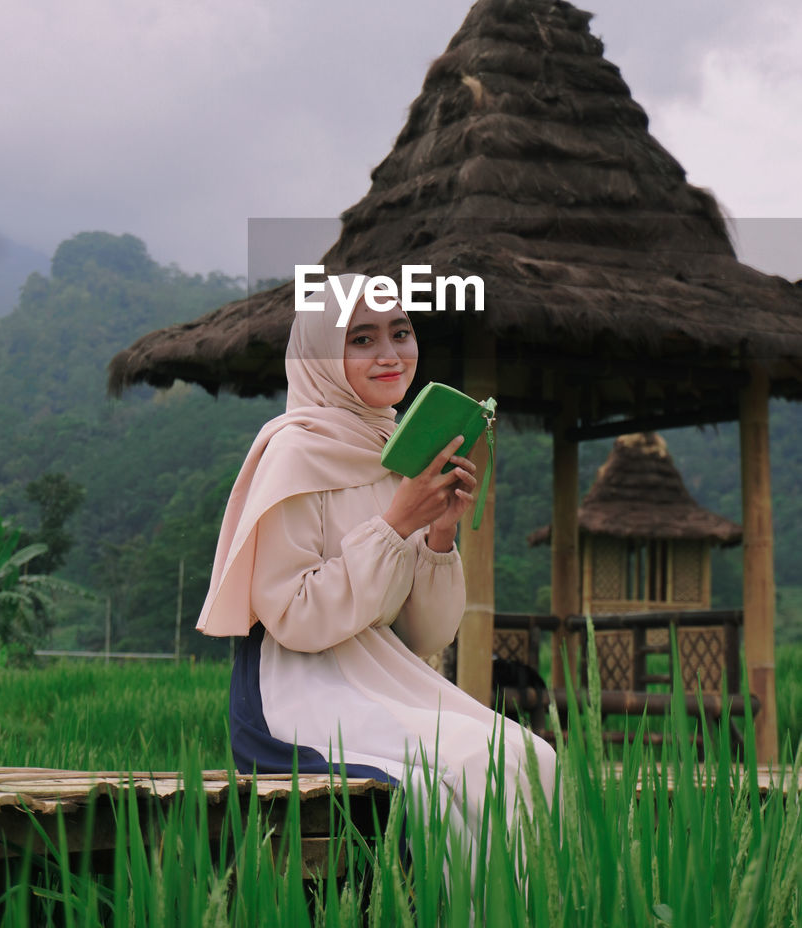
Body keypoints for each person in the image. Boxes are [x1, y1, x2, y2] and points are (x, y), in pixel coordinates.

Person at [197, 274, 556, 841]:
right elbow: (293, 616)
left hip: (387, 675)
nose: (390, 355)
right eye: (361, 339)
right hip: (296, 690)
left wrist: (438, 535)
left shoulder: (397, 453)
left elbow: (424, 636)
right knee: (466, 764)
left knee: (534, 758)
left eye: (401, 333)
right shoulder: (296, 451)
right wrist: (397, 523)